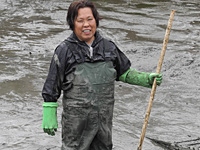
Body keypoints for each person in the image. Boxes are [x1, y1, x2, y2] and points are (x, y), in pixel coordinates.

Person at [41, 0, 162, 150]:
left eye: (90, 19)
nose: (86, 25)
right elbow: (52, 85)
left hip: (103, 120)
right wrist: (49, 113)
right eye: (80, 21)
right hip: (76, 122)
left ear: (96, 21)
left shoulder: (108, 47)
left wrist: (146, 79)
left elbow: (123, 72)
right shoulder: (64, 50)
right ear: (72, 24)